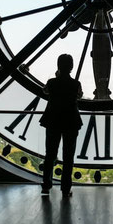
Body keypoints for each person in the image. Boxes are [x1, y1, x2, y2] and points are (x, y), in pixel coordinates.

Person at [40, 54, 83, 198]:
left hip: (53, 120)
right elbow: (79, 96)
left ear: (58, 65)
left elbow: (45, 91)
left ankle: (46, 185)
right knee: (68, 156)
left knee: (50, 154)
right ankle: (66, 188)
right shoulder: (76, 84)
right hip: (70, 121)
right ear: (71, 67)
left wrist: (56, 76)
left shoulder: (51, 83)